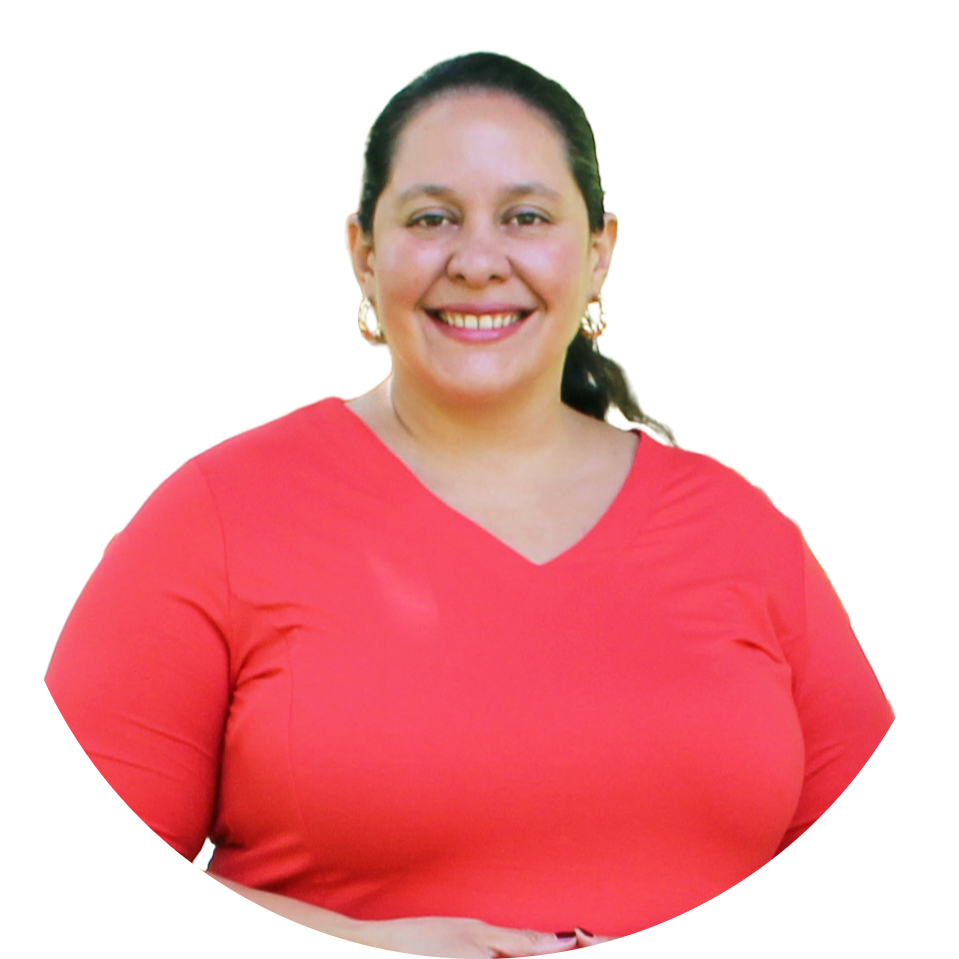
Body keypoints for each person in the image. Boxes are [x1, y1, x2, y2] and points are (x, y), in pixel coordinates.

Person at [44, 52, 894, 953]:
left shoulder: (742, 534)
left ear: (598, 251)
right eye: (431, 218)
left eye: (525, 216)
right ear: (363, 253)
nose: (479, 261)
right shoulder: (215, 520)